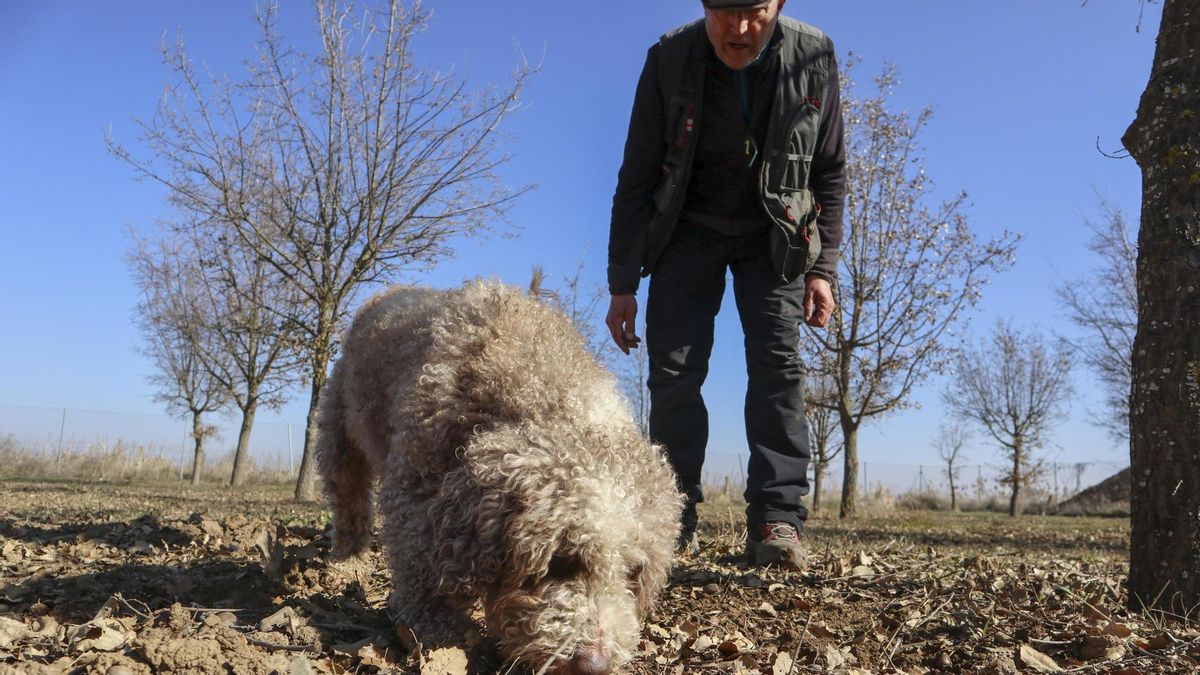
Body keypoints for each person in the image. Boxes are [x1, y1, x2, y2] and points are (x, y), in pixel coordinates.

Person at [604, 0, 845, 569]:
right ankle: (670, 515)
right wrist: (622, 283)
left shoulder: (814, 55)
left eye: (754, 12)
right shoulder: (667, 59)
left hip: (777, 235)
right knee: (673, 372)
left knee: (777, 364)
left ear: (779, 5)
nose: (738, 30)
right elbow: (636, 174)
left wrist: (823, 269)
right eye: (723, 11)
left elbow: (828, 170)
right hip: (686, 231)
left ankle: (777, 520)